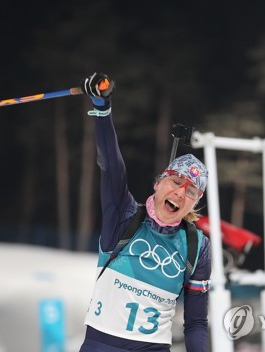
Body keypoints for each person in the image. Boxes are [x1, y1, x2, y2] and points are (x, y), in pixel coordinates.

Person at [79, 72, 211, 352]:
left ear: (193, 204)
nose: (179, 193)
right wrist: (102, 110)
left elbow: (196, 323)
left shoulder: (196, 246)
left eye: (190, 191)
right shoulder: (125, 217)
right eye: (176, 182)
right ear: (158, 183)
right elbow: (111, 164)